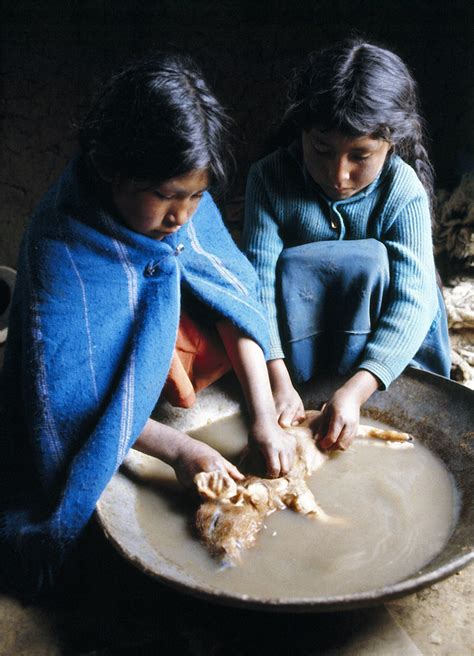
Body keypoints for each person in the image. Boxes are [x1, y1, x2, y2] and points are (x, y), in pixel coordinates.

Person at [0, 53, 294, 596]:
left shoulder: (179, 194)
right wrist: (182, 450)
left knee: (220, 302)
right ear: (114, 170)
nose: (183, 216)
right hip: (98, 402)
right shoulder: (60, 248)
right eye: (166, 197)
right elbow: (65, 400)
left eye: (197, 196)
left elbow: (233, 296)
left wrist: (263, 414)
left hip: (171, 378)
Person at [242, 39, 451, 452]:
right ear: (301, 130)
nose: (339, 174)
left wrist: (357, 391)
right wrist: (278, 383)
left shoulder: (401, 189)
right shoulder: (268, 179)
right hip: (295, 355)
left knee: (371, 260)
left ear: (391, 144)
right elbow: (257, 289)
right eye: (321, 149)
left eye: (361, 155)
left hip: (386, 350)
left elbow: (414, 299)